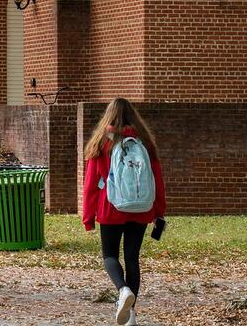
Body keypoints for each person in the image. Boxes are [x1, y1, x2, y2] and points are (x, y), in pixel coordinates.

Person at [82, 98, 166, 326]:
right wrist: (158, 210)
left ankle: (122, 291)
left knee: (109, 255)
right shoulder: (145, 143)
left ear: (108, 117)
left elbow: (91, 184)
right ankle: (131, 316)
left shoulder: (101, 143)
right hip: (141, 208)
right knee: (132, 257)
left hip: (110, 207)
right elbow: (157, 179)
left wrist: (88, 217)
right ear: (133, 116)